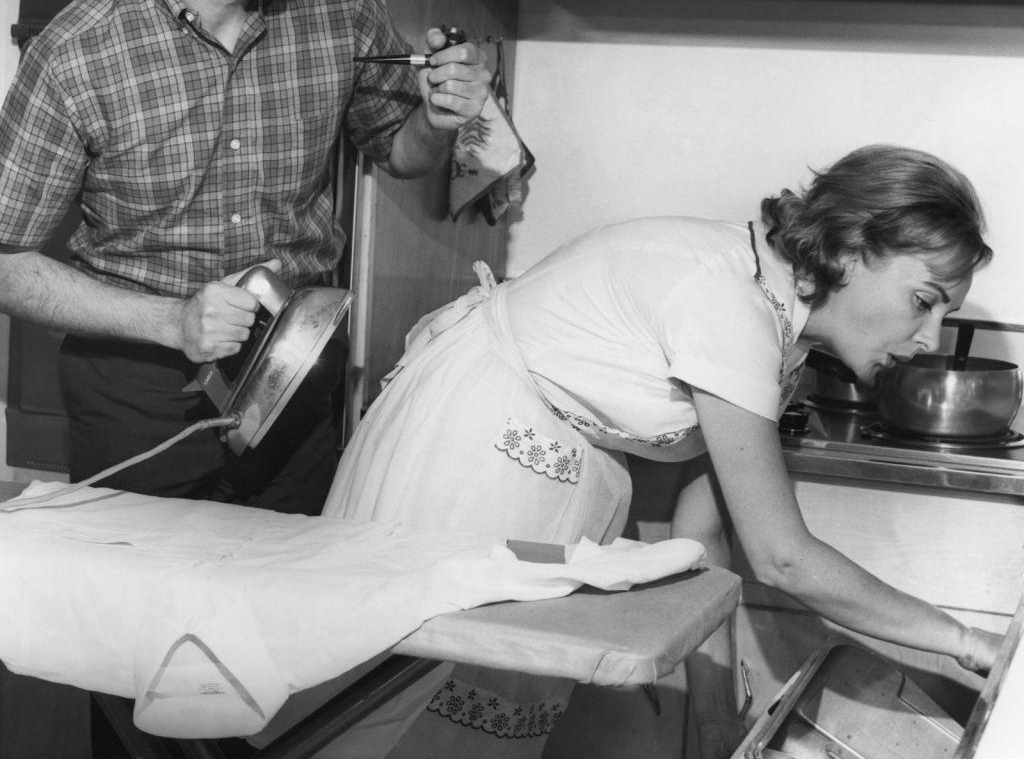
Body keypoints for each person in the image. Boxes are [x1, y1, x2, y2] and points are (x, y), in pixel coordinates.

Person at [322, 144, 1004, 758]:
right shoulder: (731, 303)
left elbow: (701, 533)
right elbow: (783, 557)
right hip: (467, 453)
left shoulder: (782, 327)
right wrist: (964, 641)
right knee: (399, 709)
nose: (931, 338)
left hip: (539, 472)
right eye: (924, 300)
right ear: (851, 250)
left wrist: (713, 716)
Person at [0, 0, 491, 517]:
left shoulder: (337, 2)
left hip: (296, 378)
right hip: (137, 391)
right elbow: (5, 263)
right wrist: (173, 321)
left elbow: (398, 151)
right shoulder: (76, 52)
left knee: (290, 586)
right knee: (147, 592)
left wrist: (436, 119)